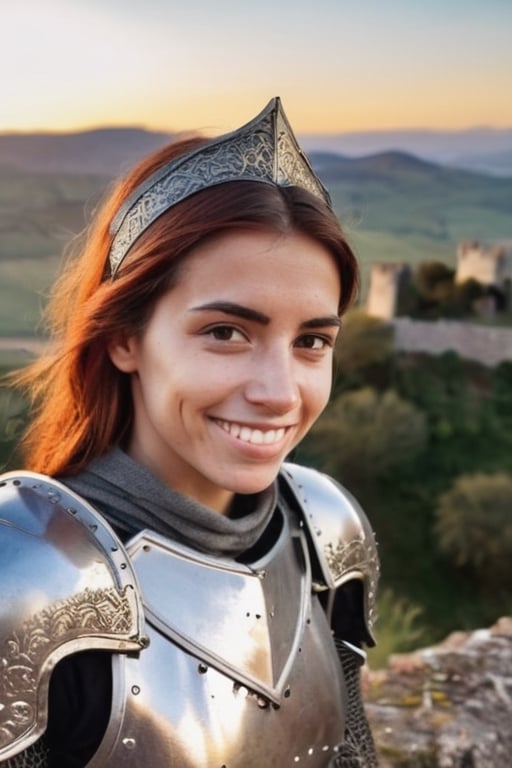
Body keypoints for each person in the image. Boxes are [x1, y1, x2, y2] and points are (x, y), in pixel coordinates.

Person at [0, 97, 380, 767]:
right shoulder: (26, 577)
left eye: (312, 341)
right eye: (226, 333)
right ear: (124, 339)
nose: (280, 392)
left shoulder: (326, 532)